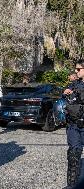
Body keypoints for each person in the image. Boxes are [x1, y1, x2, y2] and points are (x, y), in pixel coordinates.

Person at [63, 60, 84, 188]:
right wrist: (65, 92)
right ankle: (72, 185)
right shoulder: (74, 84)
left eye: (78, 69)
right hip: (74, 125)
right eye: (75, 69)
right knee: (73, 156)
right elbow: (65, 95)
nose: (76, 72)